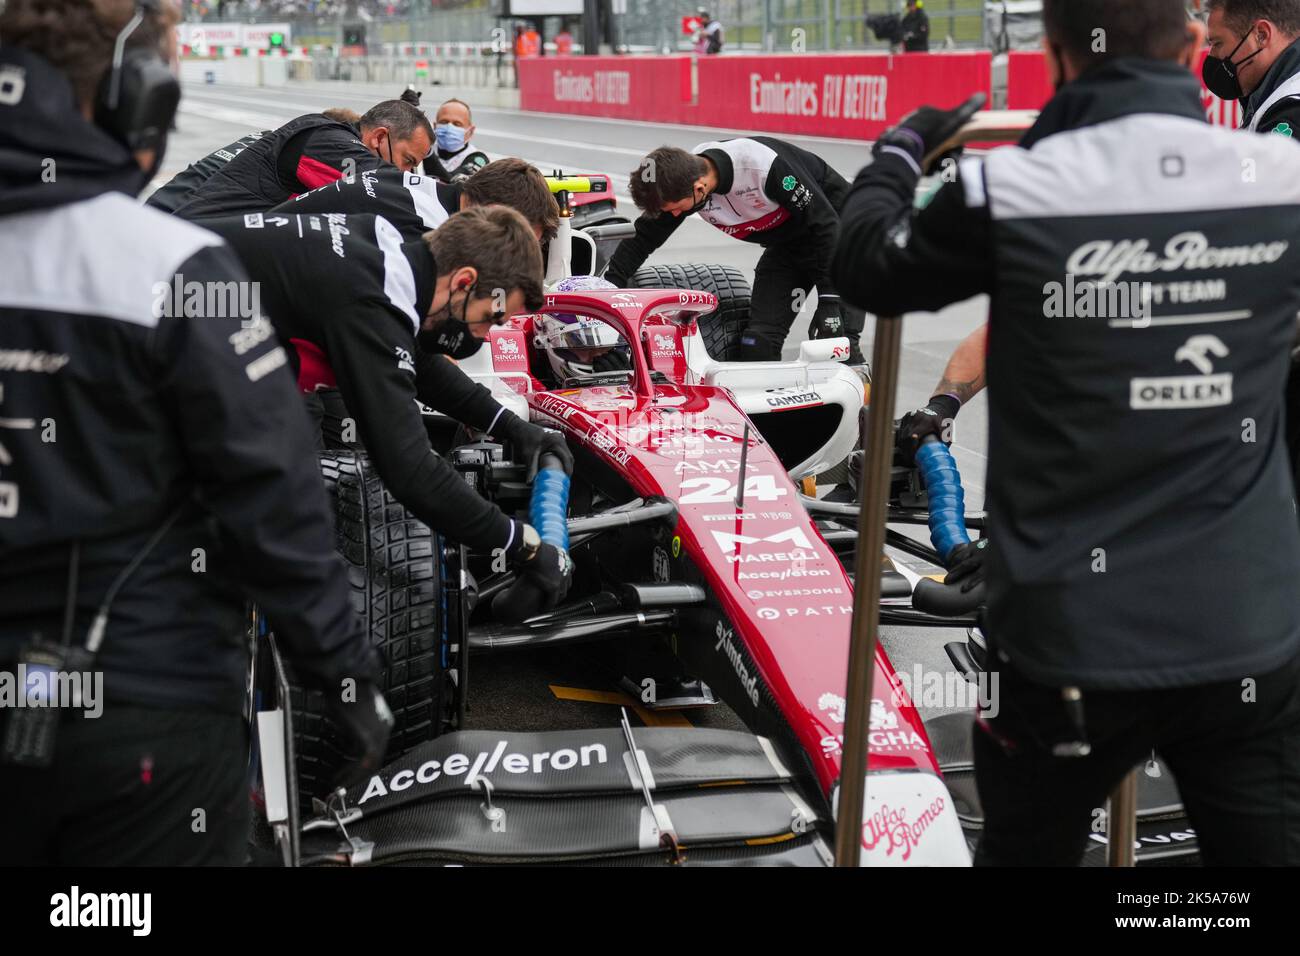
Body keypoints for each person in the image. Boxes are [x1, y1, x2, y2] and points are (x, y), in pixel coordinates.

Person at [833, 0, 1300, 865]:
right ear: (1195, 45)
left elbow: (865, 263)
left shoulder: (1009, 186)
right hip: (1246, 631)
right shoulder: (1277, 178)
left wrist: (899, 154)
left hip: (1067, 644)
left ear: (1055, 56)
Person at [0, 0, 390, 865]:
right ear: (136, 98)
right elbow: (272, 497)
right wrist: (343, 671)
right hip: (134, 713)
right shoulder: (163, 267)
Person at [194, 206, 573, 613]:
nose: (481, 336)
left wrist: (514, 428)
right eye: (488, 318)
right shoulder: (368, 301)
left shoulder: (384, 247)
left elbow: (414, 361)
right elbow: (408, 468)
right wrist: (524, 546)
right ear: (464, 282)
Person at [605, 140, 866, 364]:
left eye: (674, 209)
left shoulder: (763, 167)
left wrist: (829, 299)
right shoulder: (681, 180)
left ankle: (870, 420)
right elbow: (643, 238)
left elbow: (826, 225)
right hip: (791, 244)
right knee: (757, 344)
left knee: (837, 344)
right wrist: (609, 287)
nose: (673, 215)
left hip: (841, 237)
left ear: (699, 188)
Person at [1205, 0, 1300, 485]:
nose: (1213, 60)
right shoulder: (1275, 95)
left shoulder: (1291, 110)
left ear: (1261, 35)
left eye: (1219, 44)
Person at [148, 97, 433, 219]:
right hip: (190, 254)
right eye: (408, 160)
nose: (408, 169)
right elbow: (393, 192)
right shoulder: (324, 139)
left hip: (206, 248)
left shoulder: (328, 139)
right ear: (378, 137)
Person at [269, 157, 559, 242]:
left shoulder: (418, 187)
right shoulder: (420, 229)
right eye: (516, 241)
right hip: (240, 297)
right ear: (495, 212)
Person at [429, 98, 491, 183]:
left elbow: (453, 182)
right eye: (444, 122)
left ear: (470, 131)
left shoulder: (478, 158)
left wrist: (427, 154)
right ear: (435, 126)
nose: (449, 128)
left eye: (457, 124)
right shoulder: (424, 148)